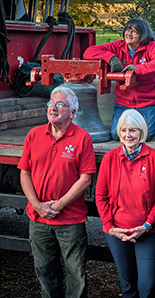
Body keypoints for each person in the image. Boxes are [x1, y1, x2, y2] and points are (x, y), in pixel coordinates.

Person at [18, 86, 96, 297]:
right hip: (39, 219)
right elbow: (24, 173)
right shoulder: (34, 134)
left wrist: (56, 206)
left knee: (76, 273)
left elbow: (85, 179)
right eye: (51, 102)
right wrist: (37, 205)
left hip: (69, 220)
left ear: (73, 112)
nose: (53, 107)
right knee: (45, 271)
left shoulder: (82, 138)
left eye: (60, 104)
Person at [96, 109, 155, 297]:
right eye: (124, 130)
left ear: (141, 131)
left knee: (148, 286)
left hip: (146, 231)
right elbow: (100, 196)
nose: (128, 135)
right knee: (128, 286)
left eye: (133, 130)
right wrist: (110, 227)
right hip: (116, 231)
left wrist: (147, 225)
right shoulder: (110, 158)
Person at [83, 18, 155, 141]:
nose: (129, 34)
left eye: (134, 32)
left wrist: (138, 69)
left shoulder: (150, 47)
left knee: (145, 137)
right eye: (128, 30)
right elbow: (88, 52)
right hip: (124, 101)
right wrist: (111, 57)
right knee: (116, 135)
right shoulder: (118, 46)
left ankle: (154, 124)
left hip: (148, 101)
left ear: (143, 35)